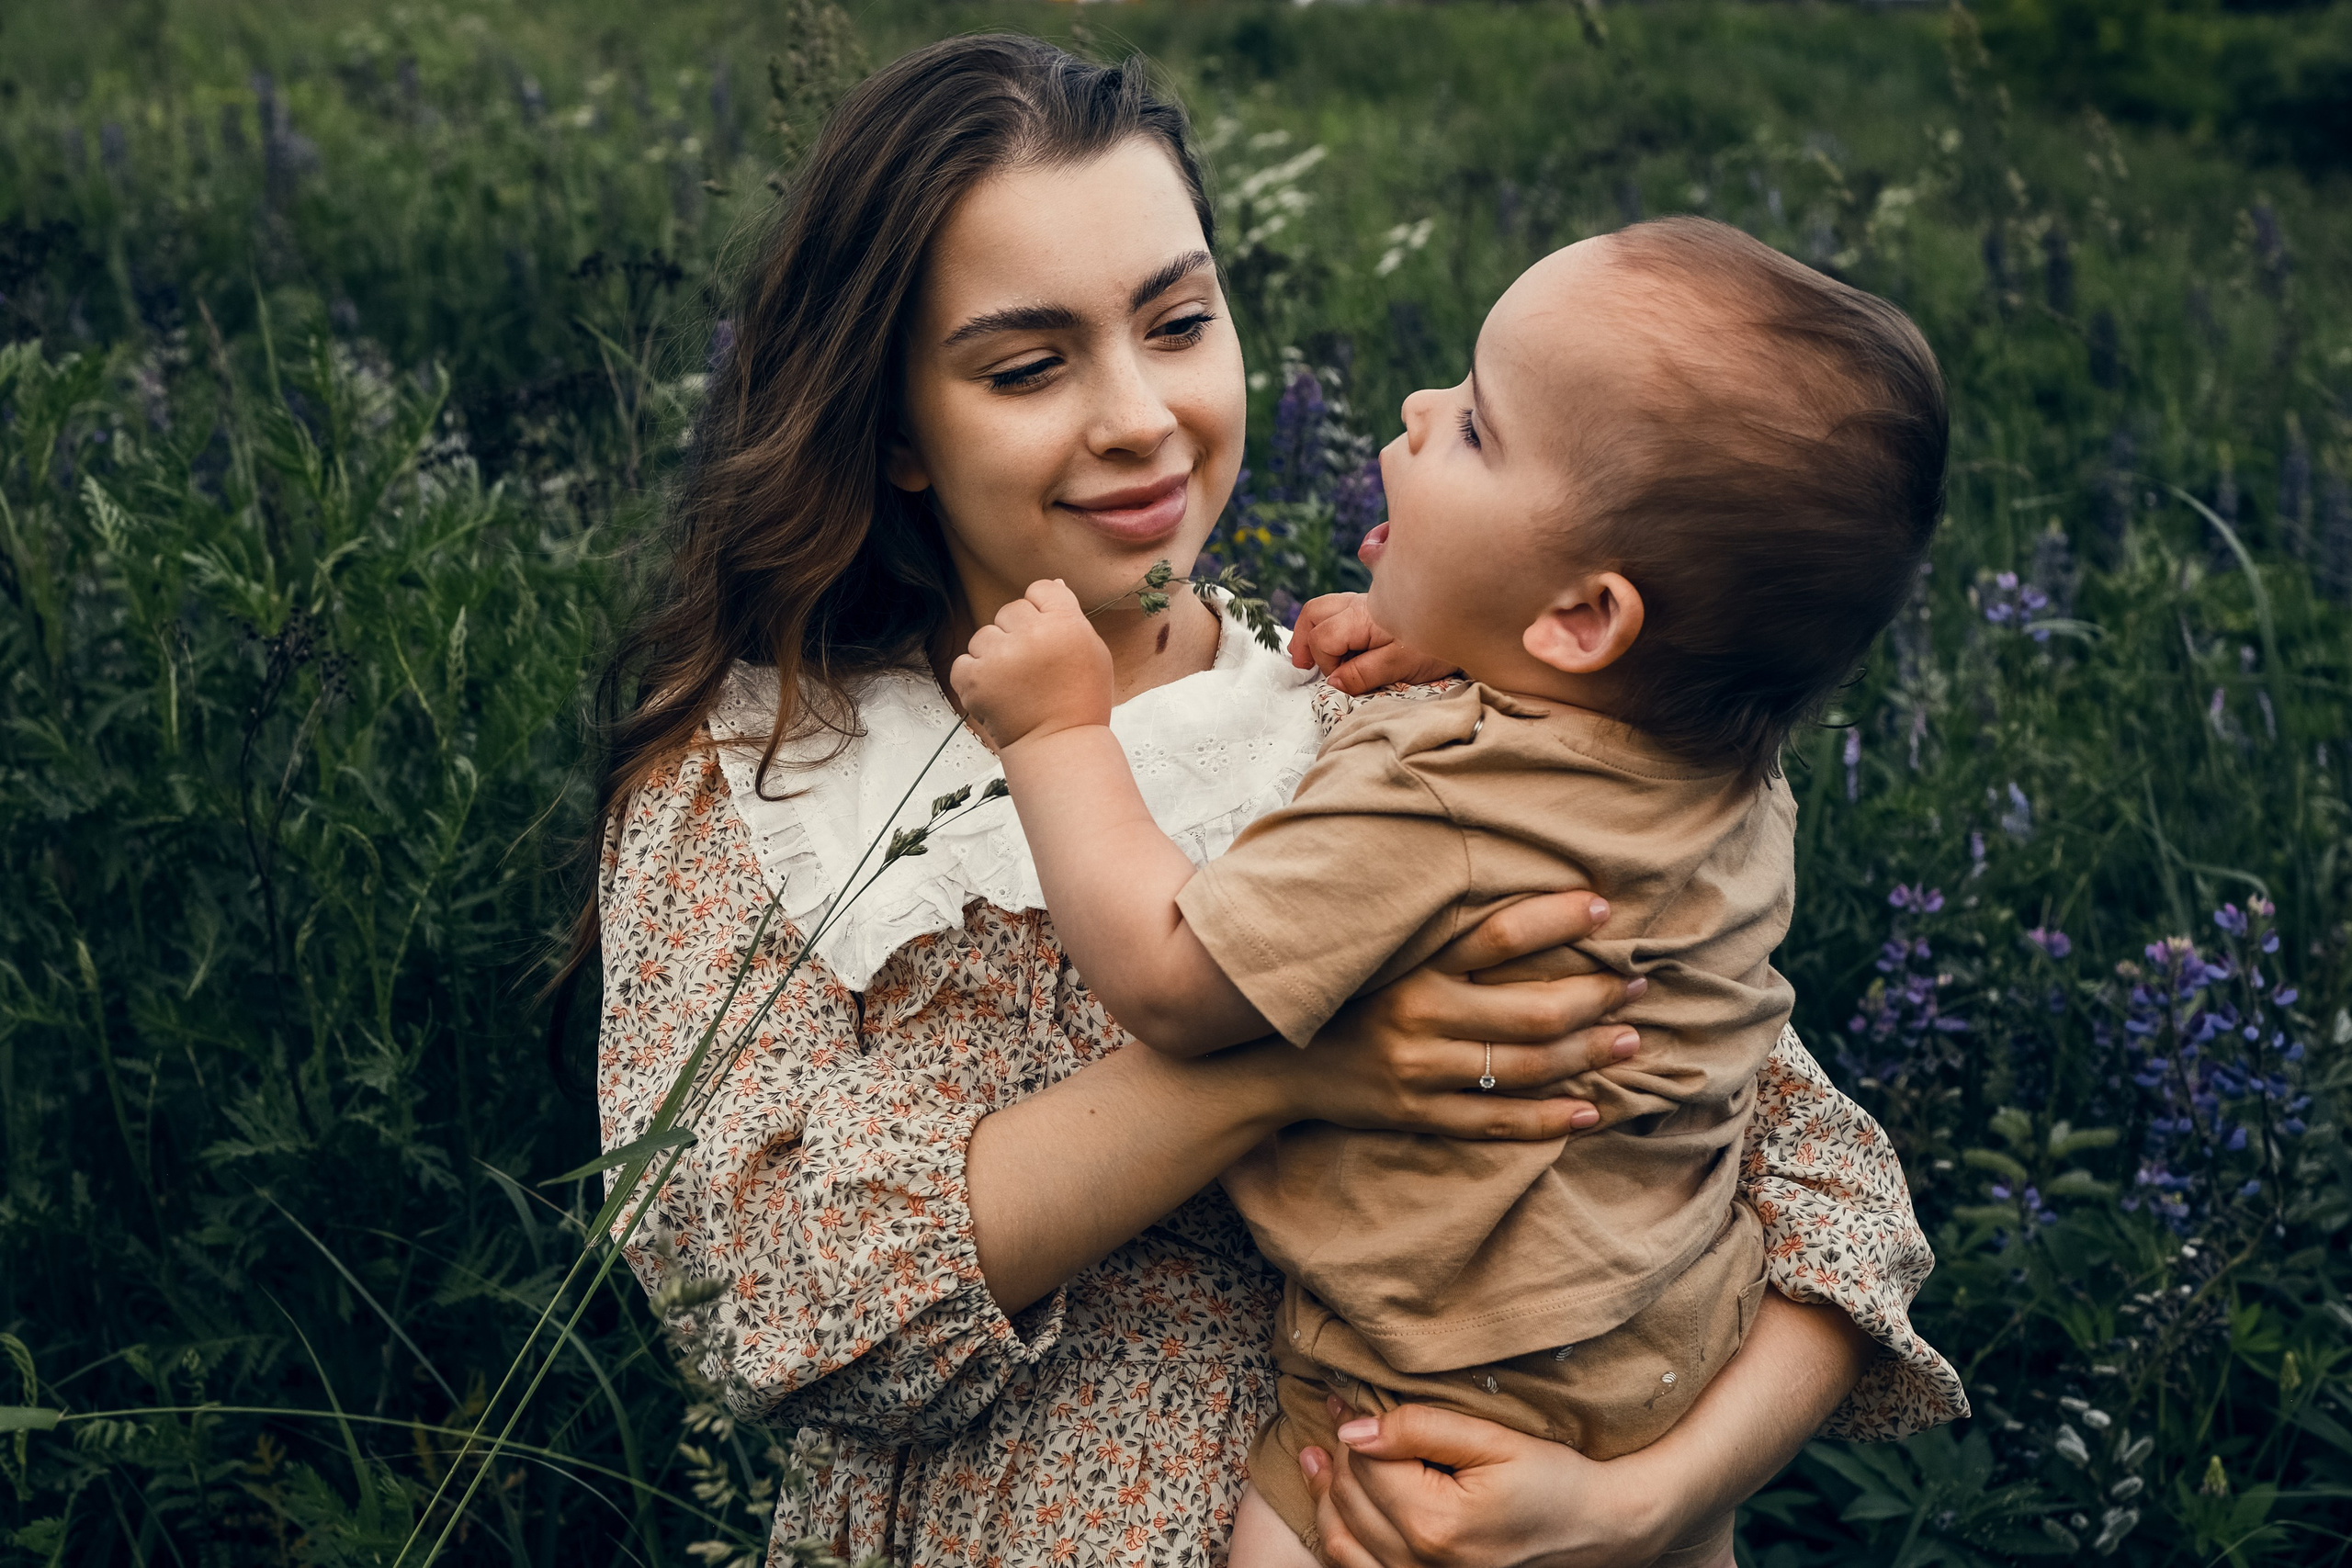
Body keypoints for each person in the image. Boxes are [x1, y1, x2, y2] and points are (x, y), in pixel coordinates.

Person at [582, 33, 1966, 1568]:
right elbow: (752, 1299)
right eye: (1028, 366)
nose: (1138, 416)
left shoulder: (1428, 733)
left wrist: (1638, 1503)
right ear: (897, 428)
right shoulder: (769, 778)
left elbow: (1822, 1202)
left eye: (1179, 323)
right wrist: (1277, 1076)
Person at [946, 218, 1948, 1567]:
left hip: (1424, 1423)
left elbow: (1173, 977)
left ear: (1582, 621)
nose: (1420, 408)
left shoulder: (1433, 797)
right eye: (1025, 365)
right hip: (1670, 1368)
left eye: (1476, 428)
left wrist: (1058, 734)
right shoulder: (1725, 775)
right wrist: (1458, 638)